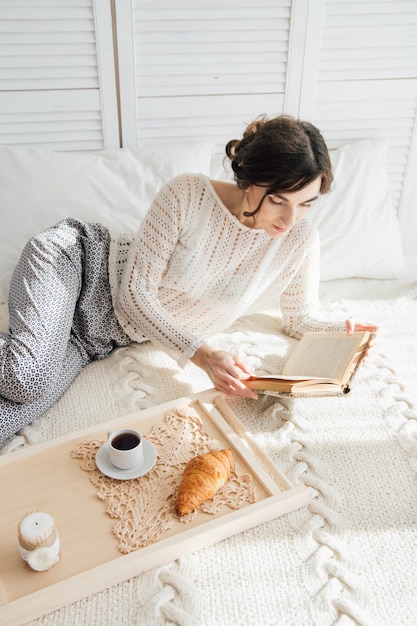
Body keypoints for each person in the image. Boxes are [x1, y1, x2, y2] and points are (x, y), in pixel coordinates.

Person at [0, 115, 378, 443]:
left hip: (94, 338)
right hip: (76, 267)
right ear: (250, 179)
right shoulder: (188, 194)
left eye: (306, 203)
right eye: (279, 200)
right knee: (24, 377)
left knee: (7, 418)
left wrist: (340, 332)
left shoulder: (299, 239)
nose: (289, 219)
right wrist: (205, 355)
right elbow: (134, 294)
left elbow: (297, 317)